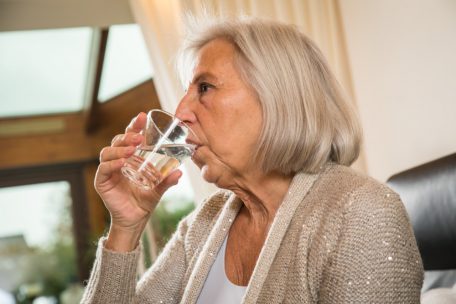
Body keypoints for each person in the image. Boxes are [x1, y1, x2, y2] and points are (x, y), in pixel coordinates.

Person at [81, 17, 423, 303]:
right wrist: (125, 227)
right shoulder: (205, 222)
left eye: (204, 88)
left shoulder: (361, 212)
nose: (180, 112)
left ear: (277, 97)